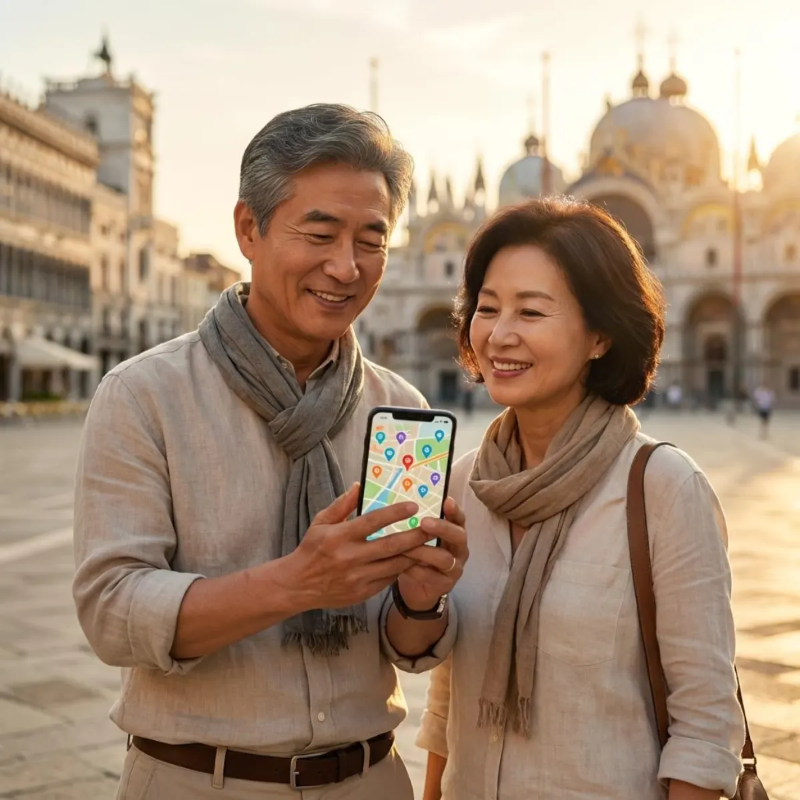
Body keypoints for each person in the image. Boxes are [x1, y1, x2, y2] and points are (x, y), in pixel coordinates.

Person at [73, 104, 468, 800]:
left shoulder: (398, 408)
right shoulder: (145, 396)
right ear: (248, 230)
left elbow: (405, 648)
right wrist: (298, 582)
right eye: (319, 233)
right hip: (199, 780)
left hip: (370, 778)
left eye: (371, 240)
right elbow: (112, 612)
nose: (346, 267)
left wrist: (421, 599)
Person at [416, 198, 744, 800]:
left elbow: (705, 723)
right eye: (487, 309)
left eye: (532, 311)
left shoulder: (663, 489)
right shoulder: (465, 482)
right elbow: (448, 696)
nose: (500, 334)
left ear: (599, 335)